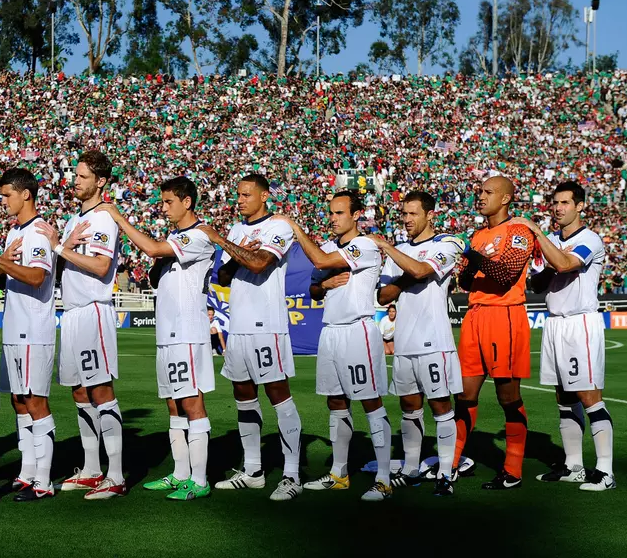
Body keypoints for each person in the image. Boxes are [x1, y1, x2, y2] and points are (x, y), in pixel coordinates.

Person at [99, 176, 216, 501]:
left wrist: (118, 217)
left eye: (168, 202)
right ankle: (180, 474)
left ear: (187, 202)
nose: (163, 208)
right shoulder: (177, 237)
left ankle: (200, 479)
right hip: (168, 333)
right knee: (174, 404)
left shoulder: (198, 235)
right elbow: (155, 270)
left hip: (188, 333)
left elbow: (150, 249)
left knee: (192, 403)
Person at [276, 191, 393, 502]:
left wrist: (294, 227)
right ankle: (339, 474)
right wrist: (323, 285)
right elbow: (315, 288)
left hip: (358, 331)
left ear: (356, 215)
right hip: (330, 332)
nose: (332, 218)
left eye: (339, 213)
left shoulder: (365, 246)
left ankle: (384, 479)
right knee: (336, 402)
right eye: (330, 212)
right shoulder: (328, 247)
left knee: (370, 402)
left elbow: (320, 261)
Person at [199, 174, 303, 502]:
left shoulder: (279, 226)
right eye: (238, 195)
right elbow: (225, 275)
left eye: (246, 195)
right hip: (240, 324)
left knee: (277, 394)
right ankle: (254, 471)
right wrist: (234, 249)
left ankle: (292, 474)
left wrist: (220, 240)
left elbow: (259, 264)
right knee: (243, 394)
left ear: (263, 196)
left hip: (267, 325)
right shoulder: (237, 230)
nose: (240, 200)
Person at [512, 181, 615, 491]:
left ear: (580, 206)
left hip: (580, 323)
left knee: (589, 396)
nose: (558, 208)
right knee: (564, 397)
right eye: (555, 202)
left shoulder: (590, 239)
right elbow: (540, 283)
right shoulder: (554, 239)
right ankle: (573, 466)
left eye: (565, 203)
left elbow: (566, 263)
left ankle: (605, 472)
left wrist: (537, 234)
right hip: (555, 322)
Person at [35, 150, 126, 500]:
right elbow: (62, 261)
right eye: (76, 175)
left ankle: (115, 476)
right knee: (78, 391)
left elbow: (102, 267)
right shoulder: (76, 220)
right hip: (71, 313)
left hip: (93, 311)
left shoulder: (103, 218)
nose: (75, 181)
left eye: (83, 176)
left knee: (101, 390)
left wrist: (59, 246)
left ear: (100, 181)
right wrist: (61, 247)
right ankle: (91, 469)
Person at [371, 191, 465, 496]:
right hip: (405, 342)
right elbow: (383, 296)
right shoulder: (399, 250)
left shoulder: (448, 243)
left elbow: (423, 270)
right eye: (405, 214)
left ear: (429, 215)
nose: (407, 220)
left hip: (434, 340)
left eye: (413, 214)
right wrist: (405, 274)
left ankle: (445, 472)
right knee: (409, 406)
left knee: (440, 405)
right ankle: (412, 467)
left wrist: (387, 249)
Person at [0, 168, 58, 502]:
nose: (3, 200)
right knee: (18, 399)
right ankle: (27, 472)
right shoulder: (15, 233)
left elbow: (37, 276)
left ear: (26, 194)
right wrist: (0, 267)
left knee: (35, 401)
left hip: (33, 328)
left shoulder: (38, 234)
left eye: (7, 194)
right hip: (14, 326)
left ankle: (44, 480)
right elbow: (6, 280)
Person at [453, 175, 535, 490]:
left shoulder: (519, 231)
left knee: (507, 396)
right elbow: (464, 281)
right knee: (463, 394)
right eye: (480, 191)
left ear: (505, 198)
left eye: (488, 192)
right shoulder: (478, 235)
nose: (481, 196)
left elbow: (504, 275)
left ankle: (512, 469)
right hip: (475, 316)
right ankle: (452, 463)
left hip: (505, 317)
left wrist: (471, 256)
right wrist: (471, 259)